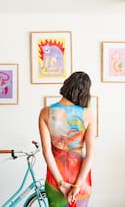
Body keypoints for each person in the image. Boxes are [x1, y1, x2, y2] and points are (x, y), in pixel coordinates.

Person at [39, 71, 95, 207]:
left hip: (55, 181)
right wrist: (78, 185)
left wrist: (61, 183)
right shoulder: (87, 114)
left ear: (67, 85)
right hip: (81, 181)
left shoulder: (45, 112)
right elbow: (90, 154)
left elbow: (47, 153)